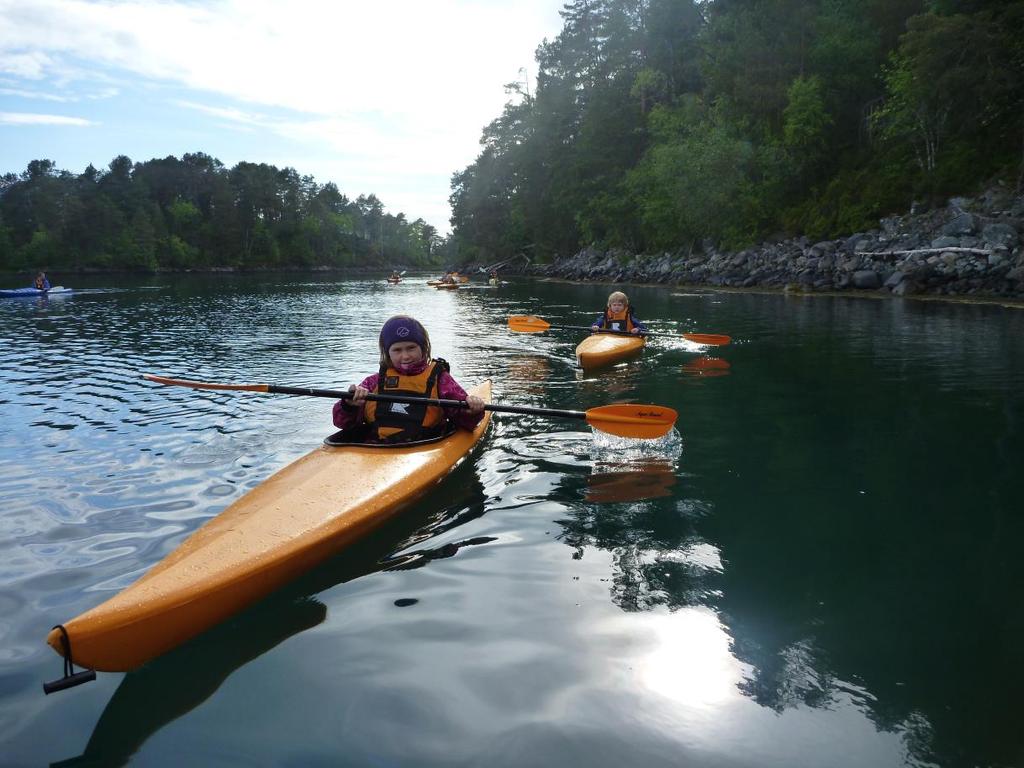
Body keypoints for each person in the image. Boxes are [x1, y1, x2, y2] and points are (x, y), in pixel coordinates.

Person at [333, 315, 485, 443]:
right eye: (397, 350)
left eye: (411, 348)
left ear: (423, 348)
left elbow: (465, 423)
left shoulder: (441, 380)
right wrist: (348, 405)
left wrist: (473, 411)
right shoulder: (373, 382)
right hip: (376, 448)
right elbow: (342, 423)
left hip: (425, 447)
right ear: (387, 353)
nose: (405, 356)